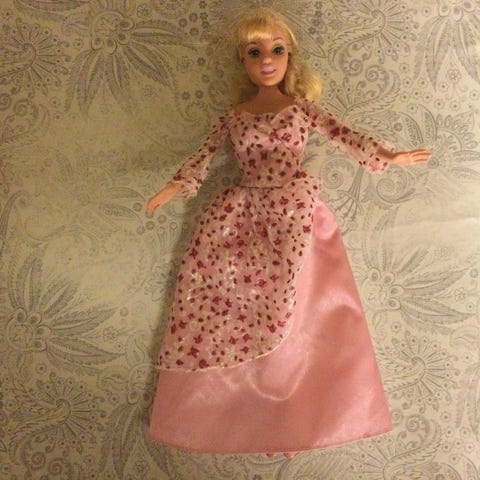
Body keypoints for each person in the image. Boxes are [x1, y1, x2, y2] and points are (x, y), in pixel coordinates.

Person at [146, 8, 431, 456]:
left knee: (307, 312)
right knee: (235, 312)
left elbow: (344, 135)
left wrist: (387, 156)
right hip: (240, 218)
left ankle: (299, 415)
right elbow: (203, 156)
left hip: (296, 216)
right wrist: (176, 186)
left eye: (276, 50)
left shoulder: (301, 109)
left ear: (289, 56)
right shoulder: (233, 117)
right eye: (254, 52)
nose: (266, 60)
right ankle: (249, 413)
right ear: (242, 60)